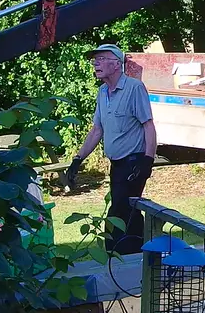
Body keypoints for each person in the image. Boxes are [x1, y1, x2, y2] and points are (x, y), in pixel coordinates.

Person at [66, 45, 158, 253]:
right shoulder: (102, 92)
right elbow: (97, 130)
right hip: (116, 165)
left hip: (134, 163)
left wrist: (147, 161)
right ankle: (138, 260)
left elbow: (148, 126)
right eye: (94, 60)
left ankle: (116, 258)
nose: (96, 63)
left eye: (101, 59)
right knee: (130, 214)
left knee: (118, 216)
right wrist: (77, 159)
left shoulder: (134, 88)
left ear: (117, 64)